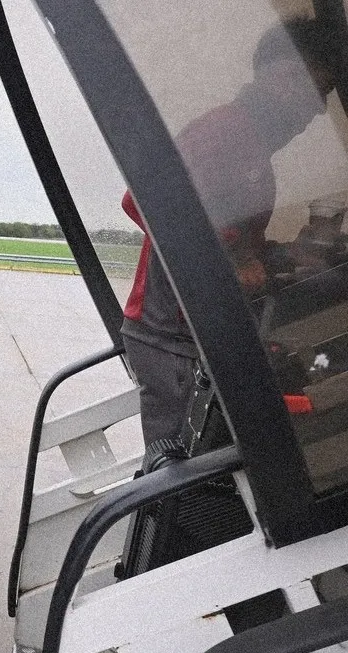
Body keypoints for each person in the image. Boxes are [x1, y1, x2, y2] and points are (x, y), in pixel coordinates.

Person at [121, 18, 340, 447]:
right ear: (279, 74)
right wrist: (237, 257)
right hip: (171, 334)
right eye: (316, 88)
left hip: (199, 331)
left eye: (325, 95)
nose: (317, 109)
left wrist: (287, 255)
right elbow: (143, 202)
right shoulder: (224, 132)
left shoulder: (253, 148)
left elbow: (235, 240)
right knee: (176, 468)